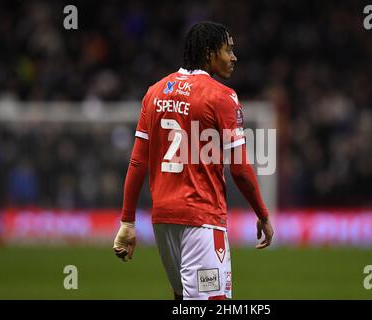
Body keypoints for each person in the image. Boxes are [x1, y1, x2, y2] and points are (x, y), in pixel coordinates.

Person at [113, 21, 274, 300]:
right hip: (202, 219)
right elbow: (240, 169)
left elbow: (138, 162)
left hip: (163, 221)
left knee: (183, 298)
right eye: (228, 50)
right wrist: (262, 213)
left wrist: (127, 222)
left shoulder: (155, 92)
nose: (234, 57)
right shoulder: (222, 96)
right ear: (210, 52)